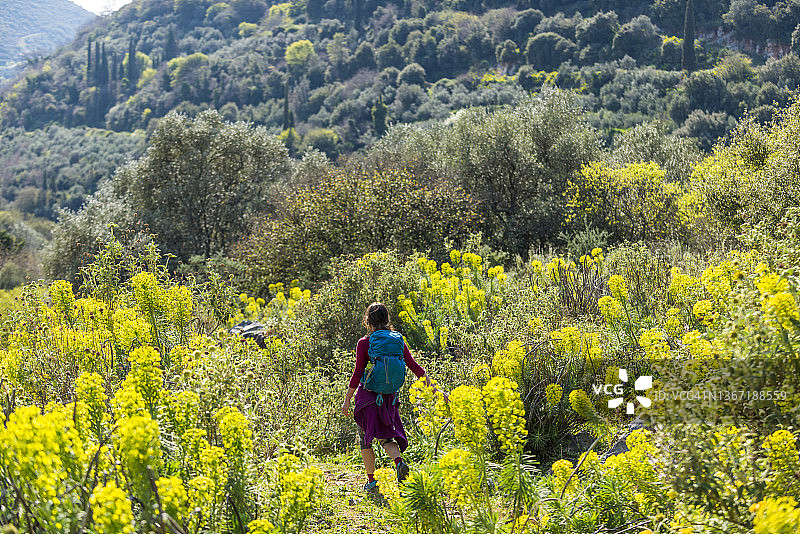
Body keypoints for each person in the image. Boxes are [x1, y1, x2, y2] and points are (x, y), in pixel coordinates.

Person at [341, 302, 428, 494]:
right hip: (389, 398)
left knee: (365, 440)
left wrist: (347, 399)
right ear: (387, 319)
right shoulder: (398, 340)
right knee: (386, 436)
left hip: (367, 398)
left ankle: (371, 481)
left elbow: (357, 373)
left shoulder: (364, 343)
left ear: (367, 321)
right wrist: (431, 385)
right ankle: (398, 462)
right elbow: (413, 365)